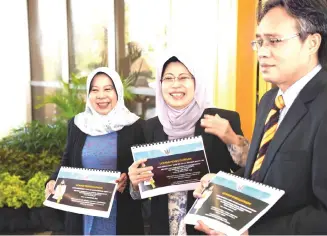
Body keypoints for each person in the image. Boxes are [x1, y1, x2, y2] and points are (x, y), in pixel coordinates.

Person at [194, 0, 327, 234]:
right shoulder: (269, 101)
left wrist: (253, 233)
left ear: (312, 43)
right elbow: (261, 173)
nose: (263, 52)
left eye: (274, 41)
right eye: (260, 42)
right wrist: (223, 187)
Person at [128, 52, 250, 235]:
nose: (176, 84)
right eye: (168, 78)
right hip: (163, 229)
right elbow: (142, 192)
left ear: (196, 82)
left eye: (184, 77)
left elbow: (251, 166)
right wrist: (135, 183)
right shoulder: (151, 127)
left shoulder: (221, 119)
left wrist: (232, 137)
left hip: (208, 228)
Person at [44, 67, 145, 235]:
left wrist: (128, 182)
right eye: (95, 90)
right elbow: (67, 161)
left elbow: (143, 175)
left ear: (117, 92)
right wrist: (52, 181)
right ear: (88, 94)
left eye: (108, 89)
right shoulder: (77, 124)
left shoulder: (136, 127)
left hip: (120, 216)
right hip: (81, 215)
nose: (101, 96)